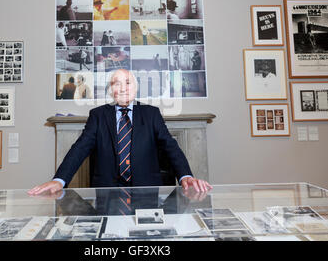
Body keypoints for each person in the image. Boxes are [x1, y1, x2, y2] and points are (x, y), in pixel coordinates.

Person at [28, 69, 212, 195]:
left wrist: (186, 176)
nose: (123, 88)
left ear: (136, 86)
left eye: (128, 82)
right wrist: (59, 180)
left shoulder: (151, 114)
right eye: (117, 83)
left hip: (146, 192)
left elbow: (171, 146)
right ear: (111, 90)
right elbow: (79, 148)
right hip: (106, 193)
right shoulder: (98, 115)